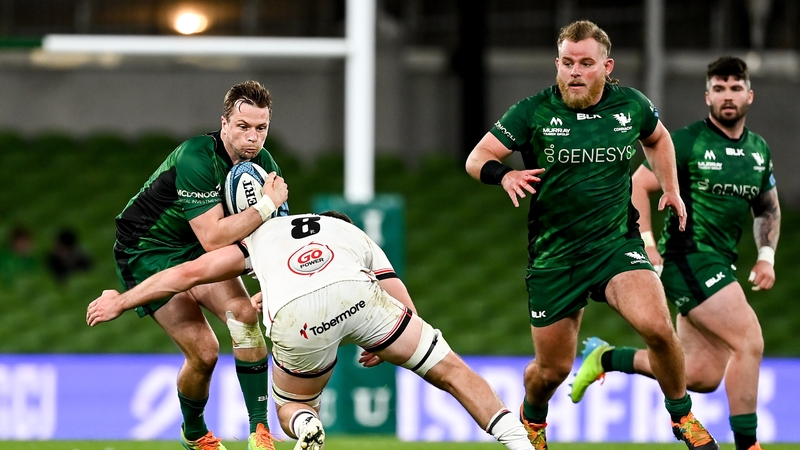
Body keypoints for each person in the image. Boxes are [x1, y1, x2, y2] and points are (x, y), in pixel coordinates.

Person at [465, 20, 719, 450]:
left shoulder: (631, 106)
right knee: (551, 371)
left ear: (606, 66)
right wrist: (504, 175)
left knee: (658, 327)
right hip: (556, 257)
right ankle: (533, 417)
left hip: (616, 245)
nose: (575, 72)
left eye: (585, 63)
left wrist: (671, 189)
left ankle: (682, 416)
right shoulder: (533, 112)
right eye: (567, 63)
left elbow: (658, 140)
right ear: (557, 64)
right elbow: (477, 157)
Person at [88, 210, 538, 450]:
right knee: (452, 370)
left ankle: (306, 428)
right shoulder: (354, 235)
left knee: (295, 404)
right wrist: (394, 339)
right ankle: (519, 442)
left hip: (295, 313)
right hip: (358, 295)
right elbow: (396, 291)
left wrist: (123, 300)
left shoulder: (262, 235)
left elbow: (187, 274)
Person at [574, 57, 779, 450]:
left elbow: (768, 207)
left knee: (700, 375)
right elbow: (638, 182)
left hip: (722, 262)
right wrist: (648, 244)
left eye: (735, 88)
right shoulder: (687, 142)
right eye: (719, 88)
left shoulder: (758, 150)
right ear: (707, 97)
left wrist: (766, 254)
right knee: (749, 340)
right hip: (689, 259)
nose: (727, 95)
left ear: (749, 95)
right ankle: (748, 447)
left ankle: (605, 358)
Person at [112, 80, 289, 450]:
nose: (252, 138)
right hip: (147, 248)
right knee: (205, 353)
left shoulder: (263, 163)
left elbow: (272, 238)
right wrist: (266, 206)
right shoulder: (196, 157)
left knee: (243, 315)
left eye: (261, 128)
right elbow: (213, 238)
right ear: (224, 123)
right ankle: (194, 433)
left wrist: (268, 288)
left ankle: (260, 433)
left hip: (194, 246)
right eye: (243, 127)